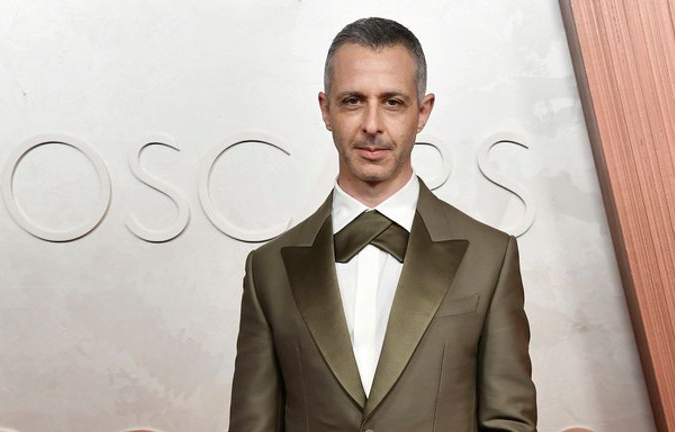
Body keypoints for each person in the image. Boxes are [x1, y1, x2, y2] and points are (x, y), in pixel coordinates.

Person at [229, 17, 537, 432]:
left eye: (392, 101)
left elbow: (509, 423)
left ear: (422, 111)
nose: (372, 125)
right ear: (326, 110)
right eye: (353, 100)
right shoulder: (267, 269)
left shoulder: (490, 256)